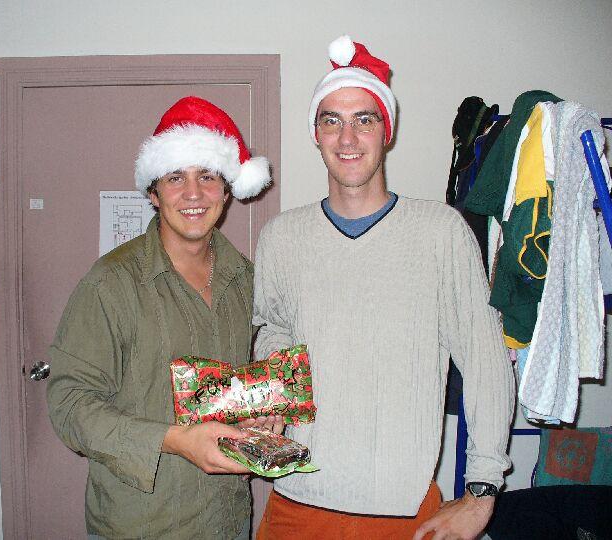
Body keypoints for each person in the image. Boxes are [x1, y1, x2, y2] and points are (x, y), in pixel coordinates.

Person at [253, 35, 515, 539]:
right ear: (316, 134)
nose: (347, 138)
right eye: (331, 121)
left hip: (404, 512)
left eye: (364, 120)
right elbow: (274, 335)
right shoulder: (281, 237)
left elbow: (486, 363)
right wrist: (274, 399)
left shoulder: (441, 233)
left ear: (386, 132)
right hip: (294, 502)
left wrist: (482, 491)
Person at [46, 95, 282, 539]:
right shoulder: (110, 284)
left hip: (227, 519)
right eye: (176, 178)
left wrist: (259, 414)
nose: (193, 194)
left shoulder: (247, 281)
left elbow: (243, 383)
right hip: (140, 524)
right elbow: (69, 406)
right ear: (153, 193)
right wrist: (174, 440)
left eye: (207, 176)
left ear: (227, 190)